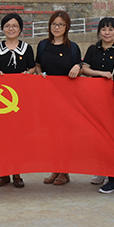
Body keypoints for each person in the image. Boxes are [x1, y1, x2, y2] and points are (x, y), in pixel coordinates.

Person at [81, 17, 114, 185]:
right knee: (97, 134)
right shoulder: (92, 49)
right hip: (95, 98)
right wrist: (100, 74)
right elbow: (84, 69)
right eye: (103, 29)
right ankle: (101, 170)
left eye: (110, 29)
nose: (107, 32)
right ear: (99, 32)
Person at [0, 13, 35, 189]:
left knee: (19, 137)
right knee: (2, 137)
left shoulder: (27, 48)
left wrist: (27, 74)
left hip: (21, 101)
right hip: (2, 101)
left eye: (15, 26)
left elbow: (33, 68)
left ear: (20, 28)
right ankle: (3, 173)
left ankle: (17, 173)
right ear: (2, 29)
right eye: (7, 26)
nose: (11, 29)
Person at [35, 10, 82, 186]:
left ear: (67, 27)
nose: (57, 27)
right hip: (48, 97)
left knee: (65, 135)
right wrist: (39, 74)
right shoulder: (42, 45)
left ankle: (65, 170)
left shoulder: (73, 48)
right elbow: (38, 65)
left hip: (67, 99)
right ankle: (56, 168)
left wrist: (78, 66)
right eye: (54, 24)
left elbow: (79, 67)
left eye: (61, 24)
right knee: (52, 135)